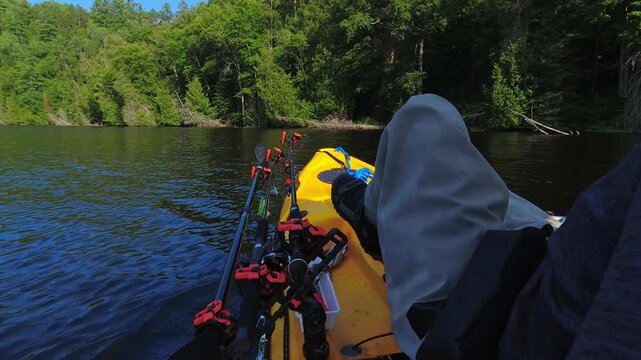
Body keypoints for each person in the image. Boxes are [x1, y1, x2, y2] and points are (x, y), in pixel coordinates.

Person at [331, 94, 641, 359]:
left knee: (425, 117)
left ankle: (372, 221)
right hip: (564, 246)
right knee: (503, 200)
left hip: (479, 324)